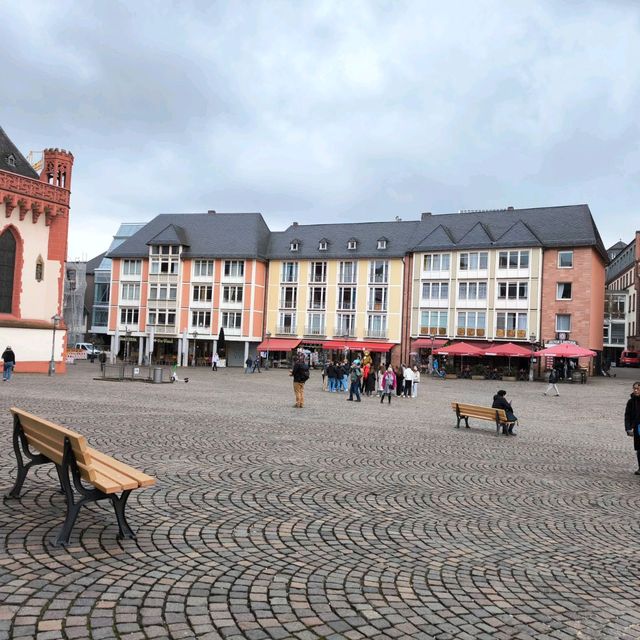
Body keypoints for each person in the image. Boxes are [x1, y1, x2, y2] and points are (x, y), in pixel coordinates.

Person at [625, 382, 640, 475]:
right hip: (637, 428)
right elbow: (627, 416)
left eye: (638, 389)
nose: (635, 390)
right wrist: (628, 428)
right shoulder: (631, 402)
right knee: (639, 449)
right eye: (634, 388)